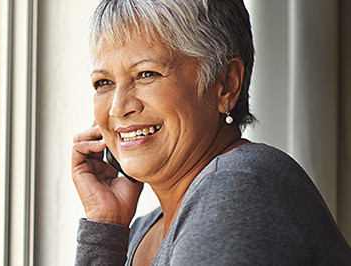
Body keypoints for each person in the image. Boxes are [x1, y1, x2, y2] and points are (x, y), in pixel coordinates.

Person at [71, 0, 351, 265]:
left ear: (226, 84)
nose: (119, 108)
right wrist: (105, 227)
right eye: (104, 82)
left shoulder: (236, 189)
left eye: (147, 74)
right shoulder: (144, 228)